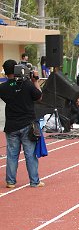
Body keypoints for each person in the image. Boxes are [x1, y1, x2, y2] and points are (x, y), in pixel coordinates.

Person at [1, 59, 44, 188]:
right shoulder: (27, 84)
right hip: (27, 125)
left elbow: (11, 89)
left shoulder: (2, 87)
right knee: (30, 154)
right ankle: (34, 181)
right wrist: (35, 81)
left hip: (11, 126)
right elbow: (39, 97)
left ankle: (10, 181)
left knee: (12, 155)